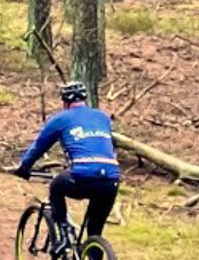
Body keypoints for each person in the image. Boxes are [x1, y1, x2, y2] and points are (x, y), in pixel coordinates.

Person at [12, 81, 122, 239]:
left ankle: (64, 231)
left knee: (56, 187)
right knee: (95, 231)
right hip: (111, 178)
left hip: (83, 175)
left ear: (64, 102)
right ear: (85, 99)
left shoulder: (61, 119)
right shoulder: (102, 117)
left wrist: (24, 167)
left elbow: (39, 146)